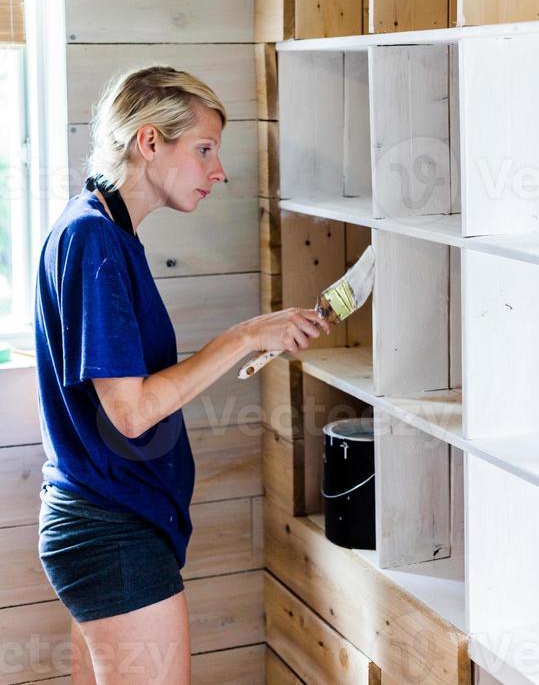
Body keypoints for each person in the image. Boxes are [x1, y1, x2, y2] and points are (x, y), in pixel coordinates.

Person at [34, 65, 330, 684]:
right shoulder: (94, 239)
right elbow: (133, 411)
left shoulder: (103, 230)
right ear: (148, 141)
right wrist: (245, 335)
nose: (217, 171)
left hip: (104, 523)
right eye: (204, 149)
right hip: (111, 530)